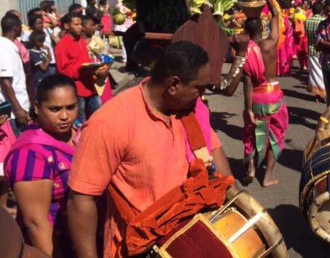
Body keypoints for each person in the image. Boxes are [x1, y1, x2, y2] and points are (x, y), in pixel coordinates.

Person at [67, 41, 232, 257]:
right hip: (141, 249)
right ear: (174, 85)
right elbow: (81, 199)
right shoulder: (109, 123)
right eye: (198, 89)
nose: (201, 96)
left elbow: (216, 155)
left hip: (192, 240)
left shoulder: (189, 109)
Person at [4, 74, 79, 257]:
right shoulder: (30, 154)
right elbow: (36, 222)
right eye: (55, 109)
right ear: (37, 107)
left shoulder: (79, 133)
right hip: (60, 246)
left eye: (71, 107)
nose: (64, 116)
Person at [242, 0, 289, 187]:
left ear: (245, 30)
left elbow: (247, 83)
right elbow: (276, 15)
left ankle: (251, 168)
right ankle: (268, 176)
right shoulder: (270, 43)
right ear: (262, 28)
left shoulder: (245, 49)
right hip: (273, 96)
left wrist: (249, 108)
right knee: (275, 136)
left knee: (252, 133)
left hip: (256, 97)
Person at [55, 13, 104, 124]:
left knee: (101, 115)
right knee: (80, 121)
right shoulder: (62, 46)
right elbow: (63, 72)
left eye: (81, 24)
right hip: (76, 90)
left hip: (89, 86)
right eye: (76, 24)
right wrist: (81, 70)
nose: (80, 27)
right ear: (67, 26)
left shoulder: (81, 41)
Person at [0, 14, 31, 131]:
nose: (22, 29)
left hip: (19, 108)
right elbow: (4, 80)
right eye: (21, 27)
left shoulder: (10, 45)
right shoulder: (4, 47)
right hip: (13, 113)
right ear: (16, 28)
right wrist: (17, 108)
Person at [81, 15, 114, 104]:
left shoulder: (97, 40)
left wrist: (105, 71)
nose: (94, 27)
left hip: (101, 80)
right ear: (82, 27)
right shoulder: (77, 43)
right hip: (85, 80)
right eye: (91, 25)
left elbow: (109, 57)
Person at [305, 1, 326, 102]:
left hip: (311, 49)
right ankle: (325, 93)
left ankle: (317, 95)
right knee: (323, 72)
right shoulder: (323, 21)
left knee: (314, 73)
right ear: (321, 11)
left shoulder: (307, 21)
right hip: (322, 50)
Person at [28, 31, 53, 99]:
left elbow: (49, 58)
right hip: (39, 80)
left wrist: (48, 50)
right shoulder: (34, 53)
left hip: (46, 78)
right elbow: (43, 67)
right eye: (42, 41)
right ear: (37, 42)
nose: (43, 43)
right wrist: (47, 61)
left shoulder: (40, 51)